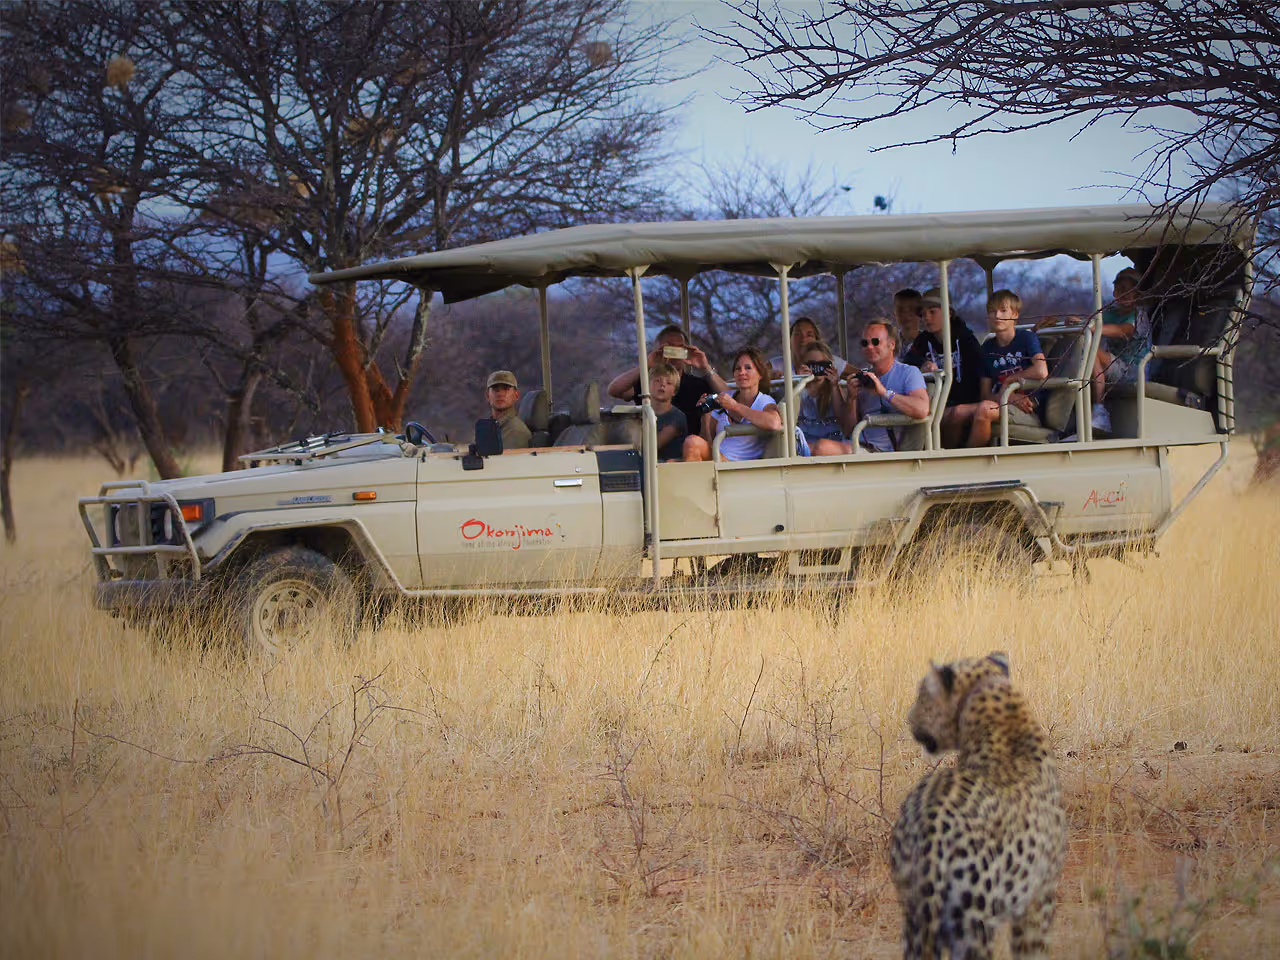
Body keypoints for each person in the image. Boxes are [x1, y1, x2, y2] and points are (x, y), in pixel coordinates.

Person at [904, 286, 986, 447]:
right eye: (923, 314)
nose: (927, 318)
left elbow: (977, 374)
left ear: (948, 313)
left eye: (932, 312)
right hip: (936, 403)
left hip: (964, 401)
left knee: (951, 414)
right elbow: (908, 361)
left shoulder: (965, 339)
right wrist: (922, 364)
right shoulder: (923, 340)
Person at [966, 290, 1049, 448]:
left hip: (1029, 409)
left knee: (984, 409)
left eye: (1003, 310)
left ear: (1015, 314)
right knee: (956, 413)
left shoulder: (1026, 338)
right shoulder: (987, 348)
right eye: (992, 311)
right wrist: (1008, 396)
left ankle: (968, 458)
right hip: (1003, 403)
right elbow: (985, 394)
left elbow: (1041, 370)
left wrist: (1011, 379)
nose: (997, 315)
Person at [608, 324, 727, 428]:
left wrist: (705, 367)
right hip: (653, 443)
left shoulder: (697, 384)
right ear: (659, 350)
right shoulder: (648, 383)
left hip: (691, 442)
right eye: (669, 348)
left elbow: (729, 396)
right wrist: (646, 366)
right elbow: (615, 390)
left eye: (680, 348)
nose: (675, 353)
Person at [683, 347, 783, 461]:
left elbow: (774, 423)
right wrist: (705, 415)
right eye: (738, 368)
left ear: (760, 374)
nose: (742, 372)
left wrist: (735, 406)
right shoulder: (725, 397)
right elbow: (707, 441)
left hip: (738, 464)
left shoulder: (764, 400)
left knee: (691, 442)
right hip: (718, 459)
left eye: (748, 368)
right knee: (673, 461)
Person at [1090, 267, 1151, 433]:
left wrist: (1093, 327)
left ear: (1137, 294)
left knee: (1092, 353)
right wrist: (1070, 321)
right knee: (1082, 355)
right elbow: (1090, 322)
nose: (1124, 294)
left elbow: (1123, 331)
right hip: (1115, 368)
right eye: (1119, 289)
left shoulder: (1139, 315)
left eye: (1128, 290)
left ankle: (1100, 411)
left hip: (1134, 371)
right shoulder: (1110, 312)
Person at [854, 319, 930, 452]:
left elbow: (922, 409)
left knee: (822, 448)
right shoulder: (865, 379)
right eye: (865, 343)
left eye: (875, 342)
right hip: (856, 443)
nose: (869, 347)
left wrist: (885, 393)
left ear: (892, 345)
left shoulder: (908, 372)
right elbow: (848, 429)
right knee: (819, 447)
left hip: (879, 451)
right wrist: (850, 399)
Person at [796, 341, 857, 455]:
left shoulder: (833, 389)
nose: (817, 368)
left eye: (822, 364)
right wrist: (799, 381)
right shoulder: (798, 390)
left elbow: (844, 423)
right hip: (806, 446)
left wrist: (834, 386)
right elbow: (790, 419)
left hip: (833, 446)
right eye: (811, 365)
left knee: (821, 447)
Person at [770, 316, 852, 382]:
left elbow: (856, 375)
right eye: (797, 334)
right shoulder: (777, 365)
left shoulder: (828, 361)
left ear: (816, 340)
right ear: (789, 339)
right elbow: (762, 372)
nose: (803, 339)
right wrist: (769, 375)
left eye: (809, 335)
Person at [648, 362, 688, 461]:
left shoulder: (677, 417)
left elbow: (653, 445)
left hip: (667, 465)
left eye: (669, 383)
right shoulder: (641, 413)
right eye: (657, 381)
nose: (662, 385)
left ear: (674, 391)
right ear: (648, 385)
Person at [485, 370, 530, 449]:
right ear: (487, 396)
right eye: (495, 389)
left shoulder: (516, 431)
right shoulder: (490, 427)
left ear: (516, 395)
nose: (500, 394)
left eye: (506, 389)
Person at [893, 288, 923, 355]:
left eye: (911, 309)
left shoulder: (931, 344)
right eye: (900, 310)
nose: (905, 314)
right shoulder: (887, 345)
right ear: (895, 312)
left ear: (920, 312)